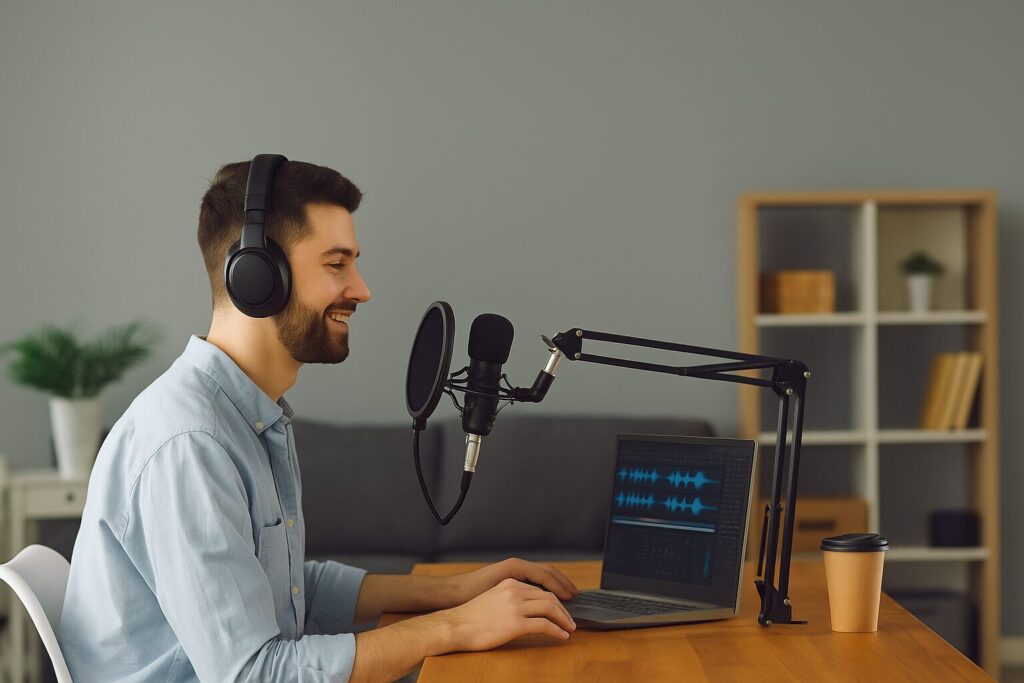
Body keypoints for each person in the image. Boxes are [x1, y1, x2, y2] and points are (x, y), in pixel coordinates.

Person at [59, 158, 578, 682]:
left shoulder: (248, 418)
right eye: (336, 264)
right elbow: (255, 675)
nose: (361, 289)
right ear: (257, 276)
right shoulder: (190, 443)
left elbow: (282, 585)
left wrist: (454, 592)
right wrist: (455, 627)